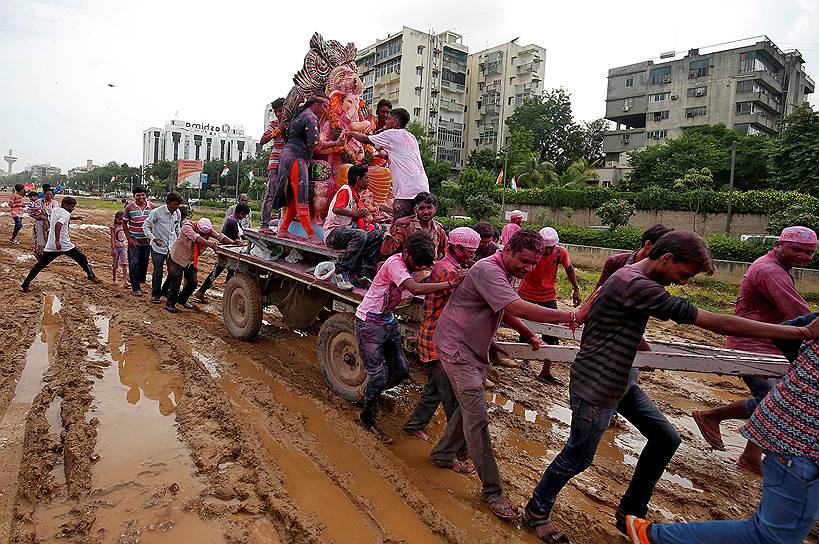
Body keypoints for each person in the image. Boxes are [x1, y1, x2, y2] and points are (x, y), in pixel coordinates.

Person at [522, 231, 819, 544]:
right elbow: (716, 322)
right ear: (666, 259)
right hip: (596, 382)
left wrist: (644, 350)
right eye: (684, 274)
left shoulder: (632, 279)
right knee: (579, 456)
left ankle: (631, 511)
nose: (684, 282)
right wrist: (801, 332)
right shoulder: (635, 284)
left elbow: (618, 320)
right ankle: (537, 510)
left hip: (620, 379)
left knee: (666, 438)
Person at [430, 229, 593, 523]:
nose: (529, 269)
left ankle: (443, 454)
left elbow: (502, 309)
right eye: (525, 262)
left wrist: (527, 332)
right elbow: (514, 305)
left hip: (473, 347)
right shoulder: (487, 270)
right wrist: (571, 316)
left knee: (470, 409)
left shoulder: (506, 272)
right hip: (457, 349)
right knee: (477, 416)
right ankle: (492, 491)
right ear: (508, 250)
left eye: (534, 264)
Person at [625, 312, 819, 544]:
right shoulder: (770, 274)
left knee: (665, 438)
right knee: (771, 536)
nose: (682, 281)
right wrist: (806, 377)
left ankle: (644, 526)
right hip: (798, 433)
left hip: (791, 422)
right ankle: (652, 535)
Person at [692, 225, 816, 474]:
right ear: (778, 245)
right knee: (778, 405)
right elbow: (800, 313)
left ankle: (744, 449)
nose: (803, 256)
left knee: (773, 401)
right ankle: (717, 421)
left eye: (809, 252)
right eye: (796, 249)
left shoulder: (775, 267)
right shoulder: (771, 272)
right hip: (753, 345)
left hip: (768, 343)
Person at [355, 232, 466, 444]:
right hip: (369, 323)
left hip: (387, 320)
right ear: (406, 253)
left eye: (420, 266)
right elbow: (414, 288)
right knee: (378, 376)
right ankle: (367, 419)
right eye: (415, 264)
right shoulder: (395, 263)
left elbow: (421, 277)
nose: (416, 269)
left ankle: (370, 393)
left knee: (401, 371)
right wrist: (450, 284)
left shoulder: (410, 264)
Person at [403, 227, 481, 446]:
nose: (471, 255)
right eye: (468, 251)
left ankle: (414, 425)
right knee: (452, 400)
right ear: (456, 248)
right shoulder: (449, 272)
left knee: (434, 390)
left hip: (436, 336)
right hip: (439, 342)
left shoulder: (451, 267)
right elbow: (466, 304)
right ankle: (456, 449)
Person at [593, 224, 673, 430]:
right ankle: (602, 416)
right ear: (648, 245)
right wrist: (646, 348)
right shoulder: (616, 264)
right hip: (606, 330)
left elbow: (638, 315)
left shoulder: (659, 274)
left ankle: (609, 414)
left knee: (629, 374)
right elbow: (597, 299)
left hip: (630, 332)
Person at [517, 227, 582, 384]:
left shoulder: (560, 253)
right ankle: (525, 361)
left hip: (548, 296)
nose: (546, 251)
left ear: (555, 246)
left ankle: (546, 371)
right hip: (526, 294)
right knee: (525, 330)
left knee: (551, 334)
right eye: (544, 248)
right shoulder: (531, 252)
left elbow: (569, 269)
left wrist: (576, 289)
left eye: (549, 248)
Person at [274, 94, 343, 239]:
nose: (325, 110)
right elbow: (316, 144)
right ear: (316, 103)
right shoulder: (311, 118)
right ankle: (311, 235)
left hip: (290, 156)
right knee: (301, 196)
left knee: (294, 198)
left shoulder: (300, 114)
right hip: (297, 158)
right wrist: (336, 144)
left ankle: (283, 229)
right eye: (324, 106)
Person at [347, 108, 429, 220]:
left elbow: (366, 139)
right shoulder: (412, 137)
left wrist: (351, 133)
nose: (386, 121)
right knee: (418, 224)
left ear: (395, 122)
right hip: (423, 187)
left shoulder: (391, 134)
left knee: (401, 226)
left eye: (389, 118)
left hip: (406, 191)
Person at [323, 164, 384, 291]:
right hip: (333, 233)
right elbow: (337, 209)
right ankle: (340, 271)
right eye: (366, 178)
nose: (369, 181)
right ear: (358, 179)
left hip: (346, 233)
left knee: (378, 234)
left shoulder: (356, 196)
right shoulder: (346, 189)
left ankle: (363, 272)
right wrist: (356, 214)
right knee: (360, 234)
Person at [21, 197, 102, 291]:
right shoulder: (66, 213)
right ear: (65, 205)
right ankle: (91, 275)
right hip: (63, 244)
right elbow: (58, 224)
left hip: (51, 245)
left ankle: (25, 283)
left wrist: (74, 218)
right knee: (82, 258)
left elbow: (60, 219)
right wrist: (58, 241)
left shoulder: (55, 210)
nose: (73, 208)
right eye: (72, 206)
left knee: (40, 264)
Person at [165, 218, 239, 313]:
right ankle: (170, 304)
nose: (204, 235)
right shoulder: (187, 227)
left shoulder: (208, 230)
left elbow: (219, 236)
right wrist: (210, 244)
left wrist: (232, 242)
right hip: (178, 257)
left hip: (191, 259)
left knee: (193, 282)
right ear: (198, 227)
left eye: (206, 234)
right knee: (176, 282)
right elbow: (197, 238)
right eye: (202, 233)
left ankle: (182, 299)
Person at [195, 204, 250, 301]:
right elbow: (242, 235)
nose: (245, 217)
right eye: (244, 215)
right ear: (241, 213)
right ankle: (202, 291)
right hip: (227, 250)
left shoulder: (232, 219)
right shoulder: (232, 221)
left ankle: (203, 291)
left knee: (224, 272)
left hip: (228, 249)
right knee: (219, 271)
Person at [595, 224, 673, 289]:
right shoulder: (615, 262)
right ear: (648, 244)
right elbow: (598, 292)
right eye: (663, 250)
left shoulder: (660, 272)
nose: (665, 256)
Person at [142, 192, 183, 304]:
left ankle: (164, 291)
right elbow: (145, 226)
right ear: (168, 203)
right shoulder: (156, 212)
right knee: (158, 272)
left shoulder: (177, 213)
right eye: (175, 204)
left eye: (178, 204)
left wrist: (179, 241)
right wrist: (154, 238)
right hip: (158, 248)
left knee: (173, 272)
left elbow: (177, 228)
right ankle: (155, 295)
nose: (177, 207)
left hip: (172, 247)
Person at [380, 192, 447, 260]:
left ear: (435, 209)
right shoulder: (407, 226)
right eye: (421, 208)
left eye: (429, 208)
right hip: (410, 268)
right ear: (415, 210)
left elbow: (447, 252)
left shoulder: (438, 229)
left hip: (432, 268)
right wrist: (395, 226)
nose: (426, 211)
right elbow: (385, 251)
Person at [259, 97, 286, 235]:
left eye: (280, 110)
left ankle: (283, 225)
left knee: (286, 196)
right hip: (275, 163)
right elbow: (262, 140)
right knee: (270, 193)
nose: (278, 114)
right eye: (276, 111)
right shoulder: (274, 123)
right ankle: (264, 224)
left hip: (290, 163)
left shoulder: (293, 122)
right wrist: (278, 130)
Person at [124, 186, 155, 296]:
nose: (140, 197)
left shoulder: (152, 207)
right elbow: (124, 224)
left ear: (146, 195)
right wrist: (129, 238)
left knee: (144, 263)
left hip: (147, 241)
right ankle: (135, 288)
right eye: (138, 195)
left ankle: (139, 283)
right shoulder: (129, 208)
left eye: (143, 195)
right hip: (134, 241)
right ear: (134, 196)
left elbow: (155, 223)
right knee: (134, 263)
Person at [31, 186, 59, 260]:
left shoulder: (55, 203)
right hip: (39, 223)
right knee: (40, 239)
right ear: (44, 194)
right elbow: (31, 211)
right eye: (47, 194)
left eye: (51, 194)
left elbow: (56, 213)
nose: (49, 196)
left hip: (50, 223)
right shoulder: (38, 201)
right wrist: (37, 217)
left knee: (49, 239)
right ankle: (39, 255)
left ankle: (46, 255)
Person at [110, 211, 129, 288]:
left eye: (122, 220)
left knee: (124, 264)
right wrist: (113, 248)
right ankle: (114, 279)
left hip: (123, 247)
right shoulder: (113, 226)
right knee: (115, 265)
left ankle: (125, 281)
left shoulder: (124, 226)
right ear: (116, 219)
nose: (121, 221)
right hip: (116, 248)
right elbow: (112, 238)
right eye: (119, 219)